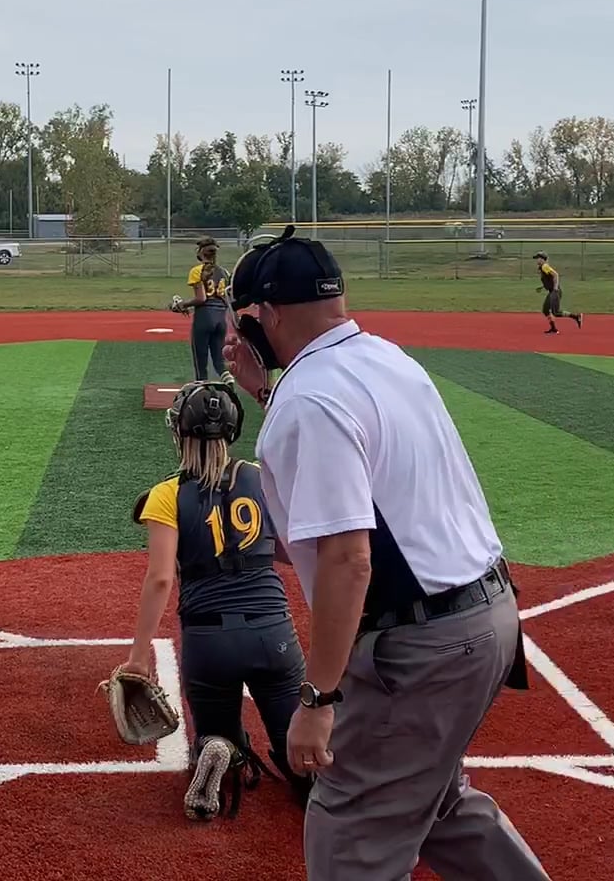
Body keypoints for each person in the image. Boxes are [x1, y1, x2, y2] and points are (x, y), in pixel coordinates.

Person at [222, 225, 547, 881]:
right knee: (437, 804)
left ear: (268, 315)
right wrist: (266, 391)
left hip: (422, 647)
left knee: (349, 832)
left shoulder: (309, 398)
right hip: (482, 617)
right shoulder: (384, 357)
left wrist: (317, 700)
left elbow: (349, 561)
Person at [122, 380, 313, 821]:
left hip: (208, 639)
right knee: (296, 741)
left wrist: (138, 656)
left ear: (180, 433)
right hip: (272, 631)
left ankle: (220, 748)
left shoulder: (167, 494)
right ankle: (311, 780)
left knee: (213, 731)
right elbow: (292, 550)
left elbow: (160, 578)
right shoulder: (260, 478)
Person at [172, 236, 233, 383]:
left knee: (200, 357)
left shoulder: (197, 270)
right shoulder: (224, 272)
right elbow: (228, 298)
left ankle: (202, 386)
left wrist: (183, 305)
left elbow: (201, 299)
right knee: (218, 358)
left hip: (205, 317)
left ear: (201, 252)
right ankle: (228, 379)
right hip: (221, 318)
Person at [531, 251, 582, 334]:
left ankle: (575, 317)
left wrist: (555, 288)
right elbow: (549, 279)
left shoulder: (544, 266)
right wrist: (543, 287)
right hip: (552, 291)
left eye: (538, 258)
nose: (537, 260)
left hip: (555, 291)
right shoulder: (542, 268)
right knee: (546, 310)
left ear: (543, 259)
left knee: (554, 312)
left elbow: (555, 275)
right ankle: (555, 328)